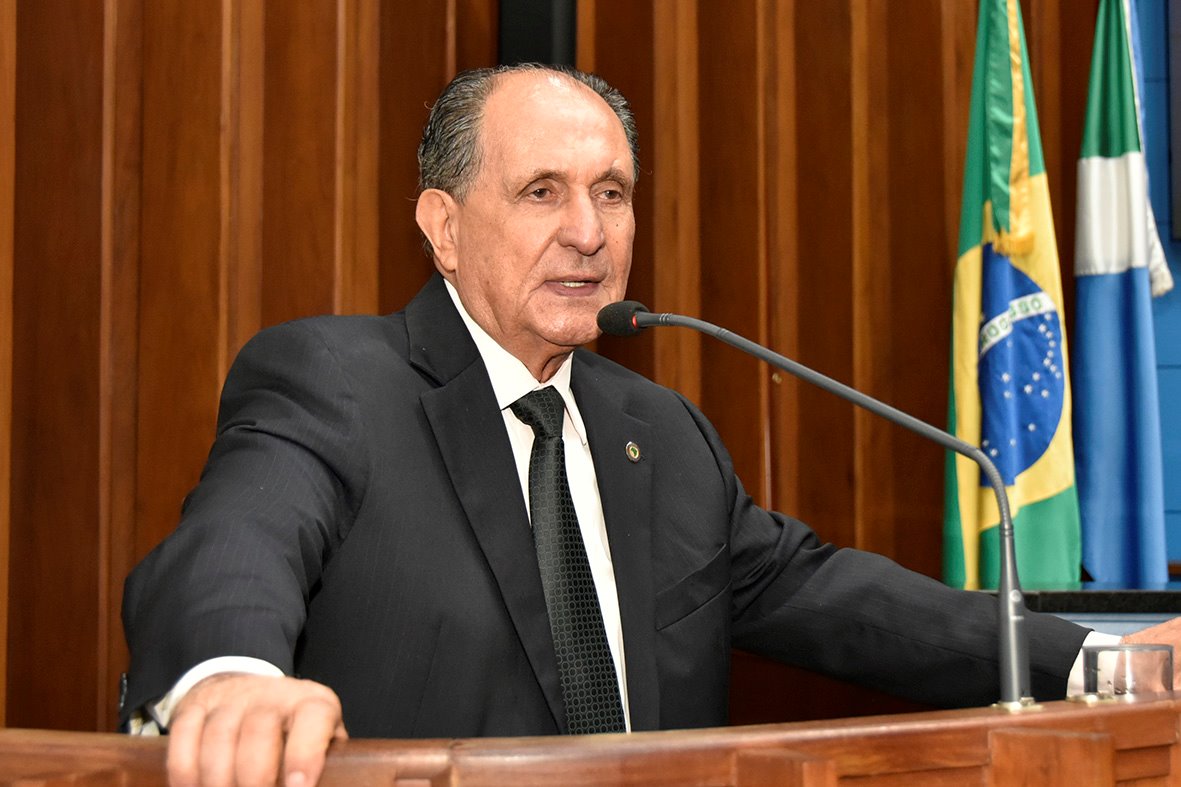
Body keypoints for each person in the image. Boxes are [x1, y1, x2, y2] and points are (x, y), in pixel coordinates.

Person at [121, 63, 1181, 787]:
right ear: (443, 227)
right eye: (542, 192)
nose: (588, 233)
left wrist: (1101, 662)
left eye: (613, 193)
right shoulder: (337, 382)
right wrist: (230, 677)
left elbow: (841, 601)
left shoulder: (661, 433)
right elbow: (234, 541)